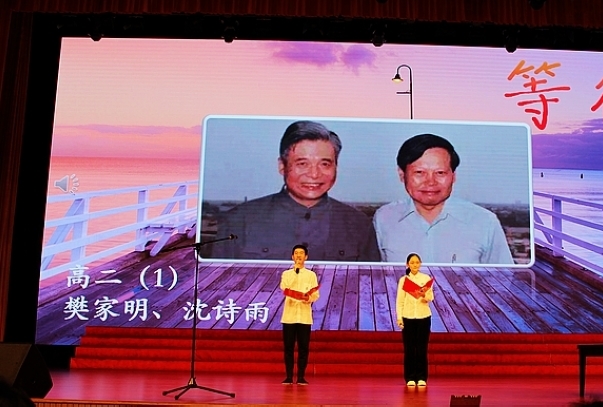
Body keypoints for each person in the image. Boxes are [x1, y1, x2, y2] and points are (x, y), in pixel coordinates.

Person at [209, 120, 380, 261]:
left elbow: (369, 286)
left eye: (325, 164)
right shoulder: (238, 221)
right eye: (302, 164)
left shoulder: (359, 225)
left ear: (336, 167)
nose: (314, 174)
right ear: (282, 166)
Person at [373, 133, 514, 264]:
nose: (430, 182)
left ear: (453, 176)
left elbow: (504, 278)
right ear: (402, 175)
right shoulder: (384, 218)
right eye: (419, 172)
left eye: (440, 173)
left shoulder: (484, 222)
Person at [279, 244, 320, 385]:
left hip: (304, 316)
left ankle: (301, 376)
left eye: (301, 253)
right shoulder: (286, 274)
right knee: (288, 347)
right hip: (289, 316)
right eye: (296, 253)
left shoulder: (311, 275)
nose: (298, 255)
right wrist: (295, 272)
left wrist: (308, 298)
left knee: (303, 347)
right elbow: (284, 287)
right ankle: (289, 376)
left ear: (306, 257)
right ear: (292, 256)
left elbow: (316, 294)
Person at [396, 252, 434, 387]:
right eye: (412, 263)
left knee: (422, 348)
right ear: (407, 265)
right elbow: (400, 301)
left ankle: (422, 377)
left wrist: (424, 296)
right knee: (410, 348)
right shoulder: (404, 280)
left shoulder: (426, 278)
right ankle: (410, 377)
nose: (415, 265)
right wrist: (399, 318)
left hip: (424, 317)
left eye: (417, 262)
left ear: (420, 264)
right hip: (408, 317)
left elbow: (430, 297)